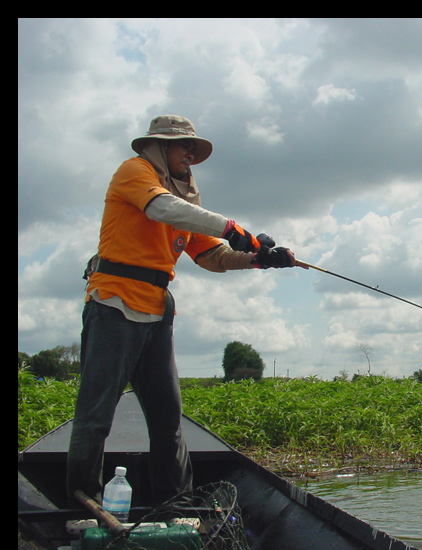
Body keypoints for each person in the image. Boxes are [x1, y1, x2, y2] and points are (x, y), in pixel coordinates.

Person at [67, 115, 298, 505]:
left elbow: (213, 256)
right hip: (114, 304)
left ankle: (176, 506)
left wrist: (261, 258)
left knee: (168, 420)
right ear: (158, 147)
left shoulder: (187, 205)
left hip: (157, 312)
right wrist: (230, 226)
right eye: (182, 147)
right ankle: (80, 505)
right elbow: (162, 209)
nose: (190, 155)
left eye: (193, 149)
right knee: (95, 418)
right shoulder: (135, 173)